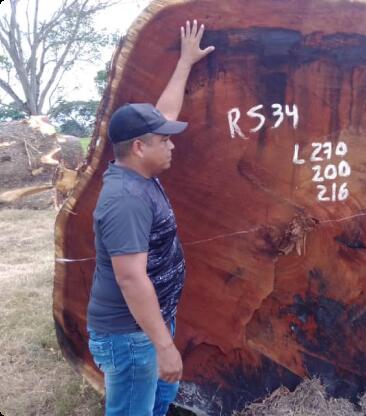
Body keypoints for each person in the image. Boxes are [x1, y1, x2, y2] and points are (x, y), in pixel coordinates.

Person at [86, 20, 214, 416]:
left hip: (148, 325)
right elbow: (130, 276)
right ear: (139, 147)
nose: (171, 145)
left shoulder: (137, 170)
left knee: (155, 405)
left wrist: (186, 63)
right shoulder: (126, 198)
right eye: (164, 140)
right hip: (131, 336)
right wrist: (162, 345)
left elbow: (164, 111)